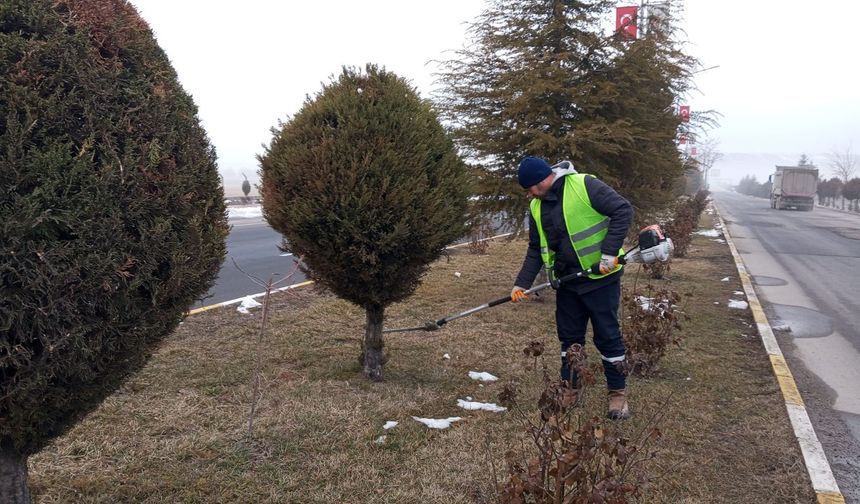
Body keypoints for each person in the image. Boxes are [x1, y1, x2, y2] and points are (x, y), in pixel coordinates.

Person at [511, 156, 634, 420]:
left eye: (533, 186)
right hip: (567, 281)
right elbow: (535, 248)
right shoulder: (536, 206)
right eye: (528, 190)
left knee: (608, 336)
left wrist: (609, 253)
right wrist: (521, 283)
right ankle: (570, 389)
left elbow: (623, 210)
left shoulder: (584, 185)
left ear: (546, 177)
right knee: (569, 338)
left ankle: (617, 394)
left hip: (601, 278)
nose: (531, 193)